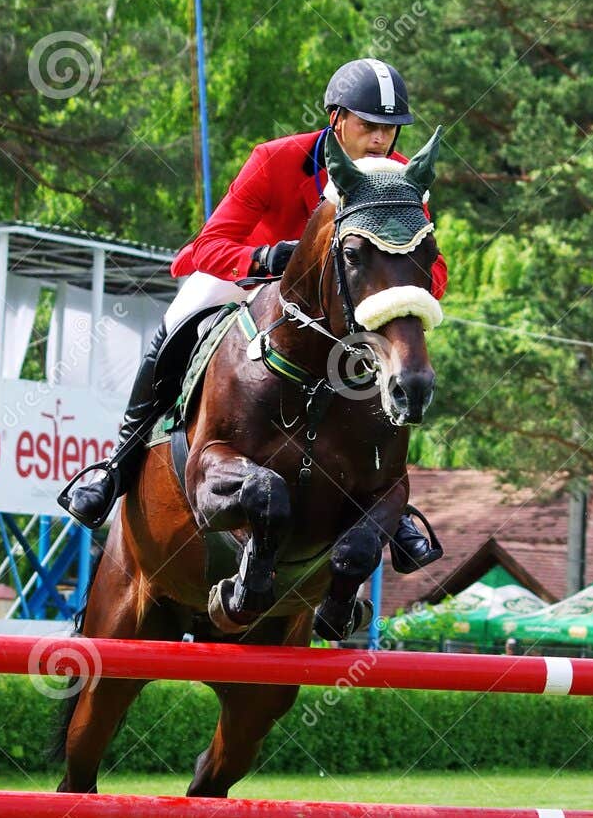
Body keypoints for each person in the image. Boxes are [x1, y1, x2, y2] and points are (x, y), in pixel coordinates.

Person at [58, 57, 447, 572]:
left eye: (390, 130)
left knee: (398, 358)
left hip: (337, 304)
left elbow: (431, 264)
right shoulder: (275, 159)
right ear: (336, 120)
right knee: (179, 319)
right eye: (369, 126)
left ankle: (388, 506)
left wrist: (405, 294)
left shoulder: (397, 183)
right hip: (248, 280)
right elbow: (208, 246)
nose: (381, 141)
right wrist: (264, 258)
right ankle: (117, 466)